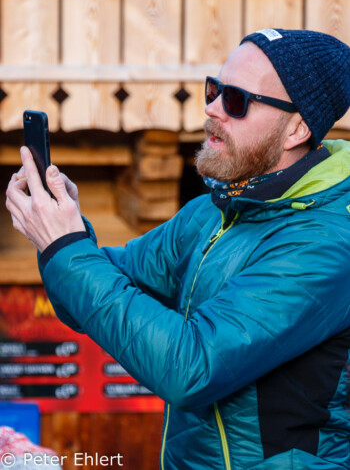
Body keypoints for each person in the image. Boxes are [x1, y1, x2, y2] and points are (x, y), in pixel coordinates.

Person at [5, 28, 350, 470]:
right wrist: (63, 228)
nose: (210, 108)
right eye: (214, 89)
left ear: (295, 129)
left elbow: (192, 367)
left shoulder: (326, 243)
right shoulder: (210, 212)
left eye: (236, 101)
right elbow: (89, 289)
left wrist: (66, 247)